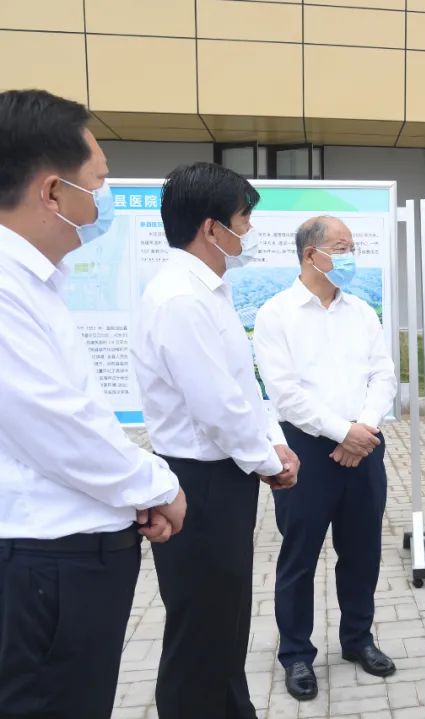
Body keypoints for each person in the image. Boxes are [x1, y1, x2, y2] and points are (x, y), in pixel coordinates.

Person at [0, 89, 186, 719]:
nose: (103, 198)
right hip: (46, 565)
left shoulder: (33, 283)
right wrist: (156, 486)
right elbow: (53, 425)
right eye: (98, 182)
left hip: (64, 559)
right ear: (53, 192)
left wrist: (134, 491)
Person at [132, 162, 300, 719]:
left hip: (223, 475)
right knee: (201, 632)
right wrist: (266, 461)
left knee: (224, 622)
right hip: (199, 483)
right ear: (211, 228)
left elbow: (240, 386)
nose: (249, 231)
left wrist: (271, 442)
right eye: (243, 218)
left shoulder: (206, 291)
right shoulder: (181, 299)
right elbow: (215, 406)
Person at [253, 216, 397, 700]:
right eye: (341, 247)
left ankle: (358, 639)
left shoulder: (362, 311)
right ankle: (296, 653)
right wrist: (343, 432)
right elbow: (285, 394)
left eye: (352, 246)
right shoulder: (276, 314)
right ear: (311, 254)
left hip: (365, 444)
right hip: (307, 450)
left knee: (362, 552)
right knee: (300, 557)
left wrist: (364, 428)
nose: (350, 255)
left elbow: (383, 376)